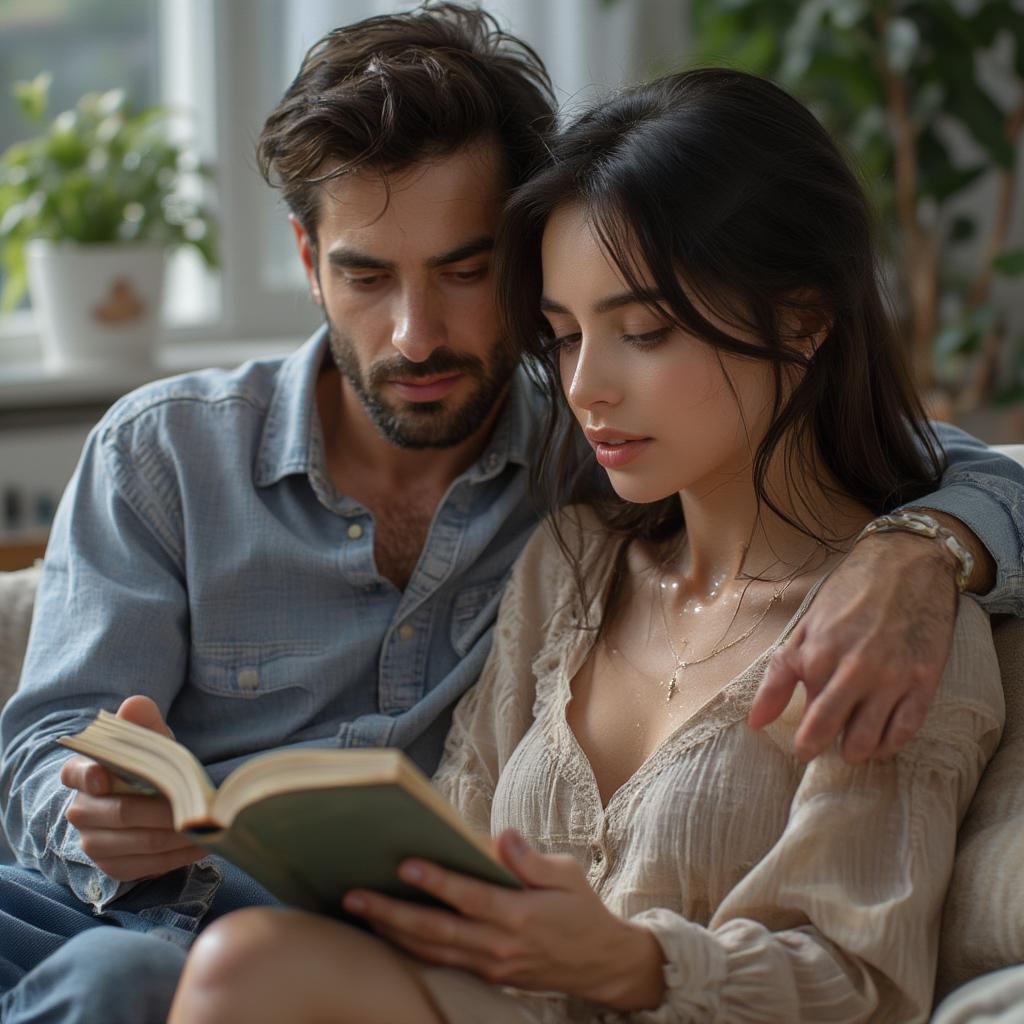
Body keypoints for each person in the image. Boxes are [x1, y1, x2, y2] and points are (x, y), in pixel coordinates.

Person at [0, 5, 1020, 1023]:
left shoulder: (588, 471)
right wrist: (86, 810)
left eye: (465, 270)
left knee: (149, 985)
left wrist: (926, 544)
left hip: (309, 967)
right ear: (308, 262)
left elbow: (909, 453)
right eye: (364, 275)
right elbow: (50, 737)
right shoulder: (170, 453)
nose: (415, 332)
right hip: (102, 908)